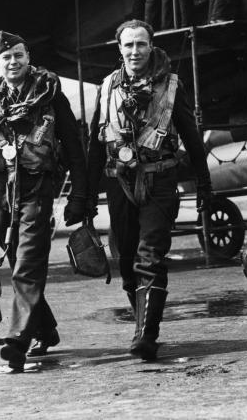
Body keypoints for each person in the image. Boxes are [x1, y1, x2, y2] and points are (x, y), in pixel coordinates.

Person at [86, 19, 212, 361]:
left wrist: (205, 185)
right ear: (119, 49)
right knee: (126, 262)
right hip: (119, 182)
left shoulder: (171, 86)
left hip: (160, 180)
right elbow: (96, 145)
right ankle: (142, 320)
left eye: (141, 44)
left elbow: (192, 138)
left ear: (151, 46)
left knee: (150, 257)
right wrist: (84, 197)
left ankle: (146, 335)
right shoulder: (108, 87)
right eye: (128, 45)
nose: (135, 51)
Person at [0, 31, 90, 371]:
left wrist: (81, 195)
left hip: (35, 192)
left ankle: (18, 339)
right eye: (6, 57)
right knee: (24, 266)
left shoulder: (50, 98)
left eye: (18, 54)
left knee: (28, 264)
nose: (13, 61)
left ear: (28, 57)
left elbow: (76, 151)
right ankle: (45, 331)